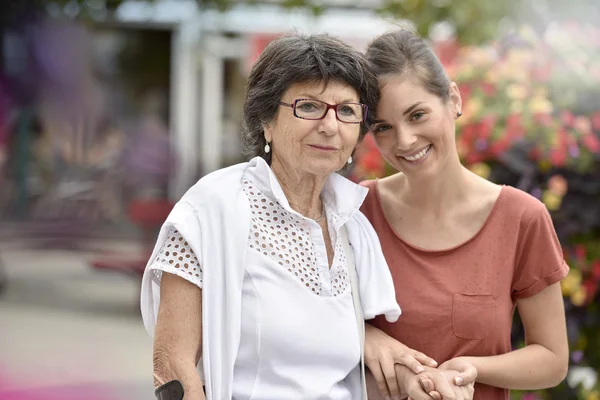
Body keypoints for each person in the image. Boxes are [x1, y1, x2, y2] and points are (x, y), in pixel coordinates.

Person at [140, 33, 428, 400]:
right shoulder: (211, 211)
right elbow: (171, 366)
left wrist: (420, 381)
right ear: (267, 121)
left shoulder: (352, 227)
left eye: (346, 111)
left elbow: (339, 377)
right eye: (308, 106)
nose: (329, 126)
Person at [360, 29, 570, 400]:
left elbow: (552, 359)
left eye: (417, 114)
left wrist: (473, 368)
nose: (405, 140)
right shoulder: (356, 211)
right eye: (383, 127)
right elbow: (314, 326)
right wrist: (366, 337)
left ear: (453, 100)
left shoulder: (522, 218)